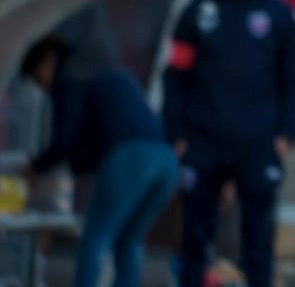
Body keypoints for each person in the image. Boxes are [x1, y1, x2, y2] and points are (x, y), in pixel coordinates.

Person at [163, 0, 295, 287]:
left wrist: (287, 135)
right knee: (195, 243)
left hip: (258, 144)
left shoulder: (279, 15)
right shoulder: (197, 10)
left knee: (259, 244)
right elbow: (175, 74)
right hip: (203, 143)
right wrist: (176, 132)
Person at [23, 36, 180, 287]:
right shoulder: (107, 74)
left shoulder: (69, 81)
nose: (41, 86)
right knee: (130, 238)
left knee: (96, 235)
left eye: (36, 77)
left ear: (45, 63)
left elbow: (65, 139)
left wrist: (36, 168)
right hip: (166, 161)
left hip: (131, 159)